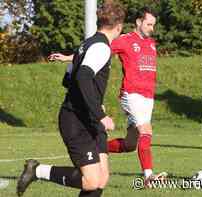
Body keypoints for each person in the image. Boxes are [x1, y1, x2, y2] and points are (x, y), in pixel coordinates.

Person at [16, 2, 125, 197]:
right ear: (119, 27)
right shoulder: (101, 47)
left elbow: (68, 80)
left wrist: (93, 102)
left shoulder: (84, 46)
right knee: (91, 181)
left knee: (101, 178)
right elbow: (83, 77)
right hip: (76, 119)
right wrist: (100, 114)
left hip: (89, 118)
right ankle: (37, 170)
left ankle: (38, 170)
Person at [107, 7, 167, 186]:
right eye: (149, 24)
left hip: (148, 97)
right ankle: (149, 177)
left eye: (153, 25)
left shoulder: (151, 43)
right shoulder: (125, 40)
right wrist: (70, 57)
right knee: (146, 131)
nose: (152, 28)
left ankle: (97, 148)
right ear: (139, 22)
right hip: (131, 94)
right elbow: (98, 50)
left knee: (130, 144)